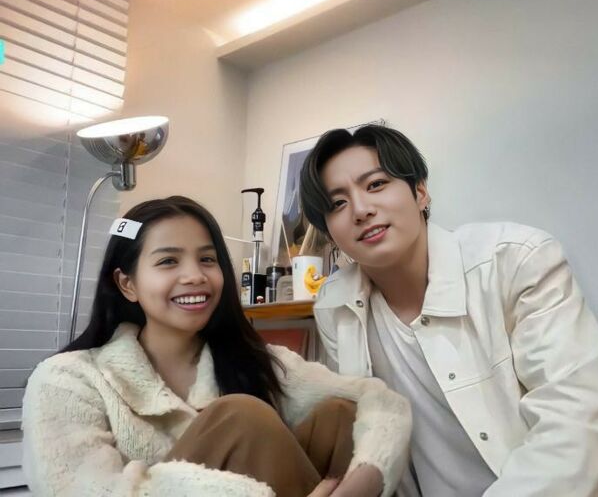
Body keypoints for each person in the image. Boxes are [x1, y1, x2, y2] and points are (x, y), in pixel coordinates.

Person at [299, 124, 598, 497]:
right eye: (338, 203)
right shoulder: (335, 306)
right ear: (329, 232)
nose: (361, 210)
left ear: (420, 192)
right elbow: (370, 432)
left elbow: (576, 423)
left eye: (376, 184)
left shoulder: (516, 260)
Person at [21, 196, 411, 497]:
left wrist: (368, 478)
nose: (195, 276)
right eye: (168, 261)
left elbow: (381, 403)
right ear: (128, 284)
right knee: (240, 417)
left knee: (340, 415)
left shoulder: (255, 361)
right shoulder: (68, 379)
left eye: (208, 259)